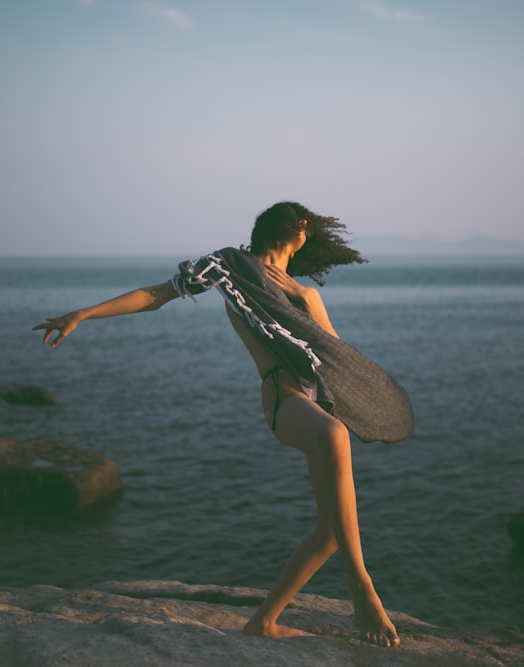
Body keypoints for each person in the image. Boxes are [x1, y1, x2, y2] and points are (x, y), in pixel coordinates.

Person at [33, 202, 413, 647]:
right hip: (284, 398)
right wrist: (83, 313)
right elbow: (158, 294)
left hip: (318, 400)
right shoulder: (231, 268)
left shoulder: (304, 292)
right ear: (298, 231)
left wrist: (310, 301)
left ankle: (264, 622)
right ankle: (361, 588)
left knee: (332, 532)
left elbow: (334, 359)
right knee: (334, 435)